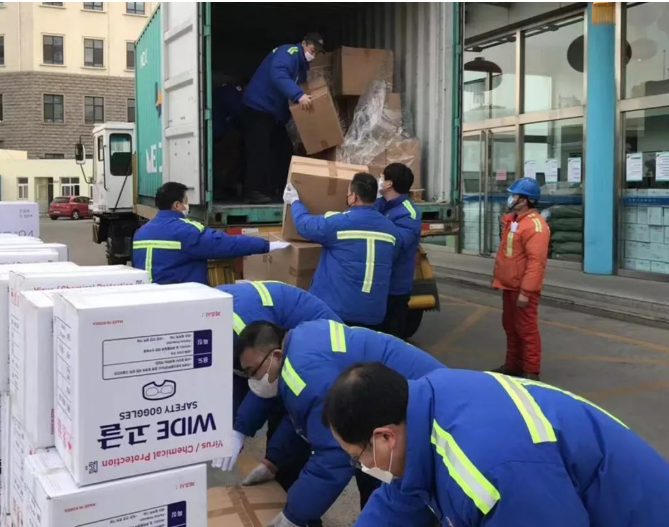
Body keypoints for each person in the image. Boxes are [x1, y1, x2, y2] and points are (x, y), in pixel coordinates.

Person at [323, 362, 669, 527]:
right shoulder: (425, 406)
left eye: (358, 457)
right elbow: (399, 502)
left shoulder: (488, 471)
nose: (363, 467)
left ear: (385, 437)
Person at [232, 320, 445, 527]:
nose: (254, 380)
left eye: (254, 371)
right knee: (376, 478)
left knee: (391, 486)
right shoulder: (301, 341)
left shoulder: (302, 375)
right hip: (416, 397)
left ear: (276, 355)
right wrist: (273, 460)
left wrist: (293, 515)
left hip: (422, 415)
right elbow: (305, 421)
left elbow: (333, 455)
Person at [211, 280, 342, 504]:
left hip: (323, 349)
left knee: (301, 419)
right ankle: (280, 482)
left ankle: (294, 503)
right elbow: (242, 376)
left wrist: (240, 431)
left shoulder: (244, 329)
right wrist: (235, 426)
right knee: (277, 407)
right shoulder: (214, 324)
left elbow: (262, 382)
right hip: (286, 348)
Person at [283, 173, 399, 329]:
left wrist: (295, 201)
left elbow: (305, 225)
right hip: (374, 314)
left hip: (338, 311)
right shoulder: (391, 229)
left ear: (354, 197)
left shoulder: (339, 223)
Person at [132, 182, 288, 284]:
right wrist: (266, 245)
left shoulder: (140, 233)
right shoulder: (186, 231)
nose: (188, 205)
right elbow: (227, 244)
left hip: (150, 300)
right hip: (181, 302)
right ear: (177, 205)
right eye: (186, 201)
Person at [242, 33, 324, 204]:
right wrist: (299, 95)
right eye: (312, 50)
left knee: (283, 151)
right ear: (304, 44)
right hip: (258, 107)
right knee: (259, 150)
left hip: (274, 114)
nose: (313, 55)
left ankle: (278, 190)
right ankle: (254, 191)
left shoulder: (301, 66)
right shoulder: (289, 53)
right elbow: (278, 74)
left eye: (316, 53)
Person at [491, 177, 549, 381]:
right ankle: (513, 365)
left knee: (526, 330)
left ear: (524, 200)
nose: (510, 198)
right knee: (510, 327)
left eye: (514, 195)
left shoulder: (535, 226)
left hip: (522, 289)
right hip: (510, 286)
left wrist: (526, 291)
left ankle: (531, 371)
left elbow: (536, 263)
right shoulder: (515, 221)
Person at [375, 163, 421, 338]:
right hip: (376, 285)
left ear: (389, 184)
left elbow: (395, 244)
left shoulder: (408, 213)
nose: (379, 180)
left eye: (382, 177)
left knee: (391, 337)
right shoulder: (380, 204)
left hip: (394, 288)